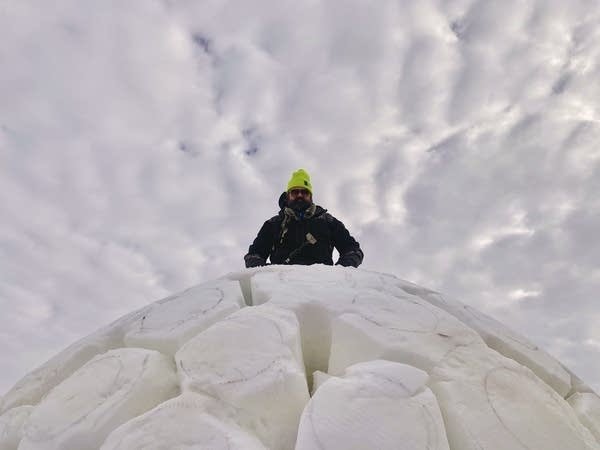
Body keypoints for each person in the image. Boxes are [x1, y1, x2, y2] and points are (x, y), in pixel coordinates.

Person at [244, 169, 364, 268]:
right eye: (295, 192)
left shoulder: (328, 221)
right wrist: (268, 274)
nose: (300, 195)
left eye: (305, 192)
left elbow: (352, 250)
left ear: (311, 197)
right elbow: (254, 255)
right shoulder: (273, 224)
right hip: (280, 285)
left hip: (324, 284)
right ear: (288, 196)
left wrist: (339, 272)